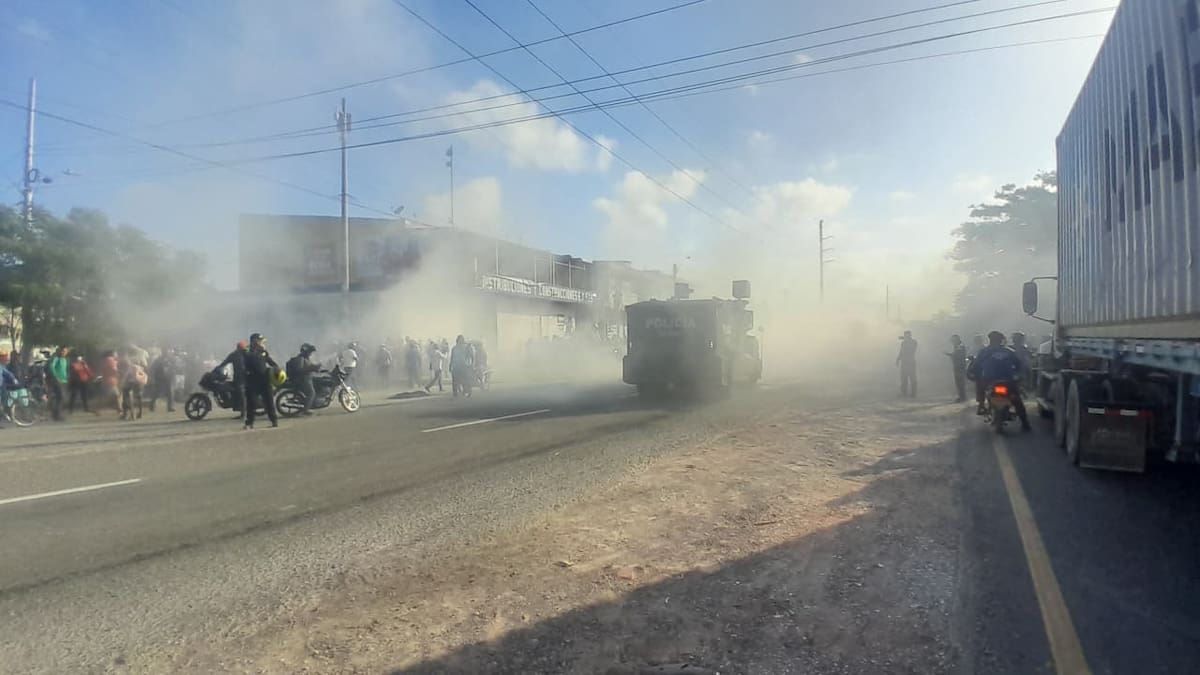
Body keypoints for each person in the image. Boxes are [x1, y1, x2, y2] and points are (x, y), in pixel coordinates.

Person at [970, 330, 1031, 430]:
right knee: (1017, 400)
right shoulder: (1009, 351)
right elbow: (1019, 365)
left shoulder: (984, 352)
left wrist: (976, 374)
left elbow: (975, 366)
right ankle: (1025, 423)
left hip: (989, 380)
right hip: (1008, 380)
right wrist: (1018, 375)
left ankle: (981, 405)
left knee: (980, 387)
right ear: (1001, 340)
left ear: (990, 340)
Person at [242, 332, 279, 429]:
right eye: (260, 341)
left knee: (269, 401)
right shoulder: (247, 352)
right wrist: (258, 351)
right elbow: (247, 361)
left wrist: (277, 369)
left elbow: (271, 362)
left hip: (264, 380)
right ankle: (249, 423)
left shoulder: (263, 352)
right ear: (254, 341)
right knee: (251, 403)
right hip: (252, 381)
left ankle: (274, 421)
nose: (262, 343)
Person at [215, 341, 249, 421]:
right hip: (238, 377)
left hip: (244, 378)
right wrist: (218, 368)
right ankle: (238, 408)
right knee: (234, 390)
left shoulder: (246, 355)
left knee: (241, 394)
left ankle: (244, 414)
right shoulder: (235, 355)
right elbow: (225, 362)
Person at [286, 343, 321, 415]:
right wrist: (312, 368)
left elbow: (309, 366)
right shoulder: (300, 359)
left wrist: (316, 367)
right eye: (309, 352)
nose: (310, 354)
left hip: (306, 378)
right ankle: (306, 409)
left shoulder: (305, 358)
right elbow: (299, 370)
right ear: (305, 351)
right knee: (311, 393)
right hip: (302, 380)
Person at [148, 348, 180, 413]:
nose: (166, 353)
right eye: (165, 352)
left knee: (170, 392)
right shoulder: (158, 360)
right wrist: (153, 378)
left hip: (169, 377)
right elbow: (153, 368)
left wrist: (174, 369)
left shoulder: (172, 359)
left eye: (168, 352)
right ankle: (151, 404)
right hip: (160, 378)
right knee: (157, 392)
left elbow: (176, 366)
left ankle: (170, 407)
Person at [47, 346, 69, 421]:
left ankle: (56, 414)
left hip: (64, 381)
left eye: (65, 351)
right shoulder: (57, 358)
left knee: (61, 398)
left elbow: (64, 370)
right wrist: (56, 377)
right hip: (58, 381)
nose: (64, 352)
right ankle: (57, 415)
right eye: (62, 351)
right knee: (61, 398)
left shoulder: (64, 360)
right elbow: (52, 367)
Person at [944, 335, 968, 402]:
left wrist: (949, 354)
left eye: (953, 340)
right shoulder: (959, 346)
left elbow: (957, 355)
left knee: (960, 382)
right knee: (959, 382)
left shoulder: (960, 346)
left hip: (959, 366)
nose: (952, 342)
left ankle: (962, 397)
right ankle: (962, 396)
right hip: (958, 366)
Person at [896, 331, 918, 398]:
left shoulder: (913, 342)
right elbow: (901, 351)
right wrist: (897, 359)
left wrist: (907, 340)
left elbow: (911, 350)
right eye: (905, 335)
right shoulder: (904, 343)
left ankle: (913, 393)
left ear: (910, 336)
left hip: (911, 363)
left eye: (907, 335)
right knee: (903, 379)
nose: (906, 336)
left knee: (912, 379)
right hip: (904, 363)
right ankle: (904, 393)